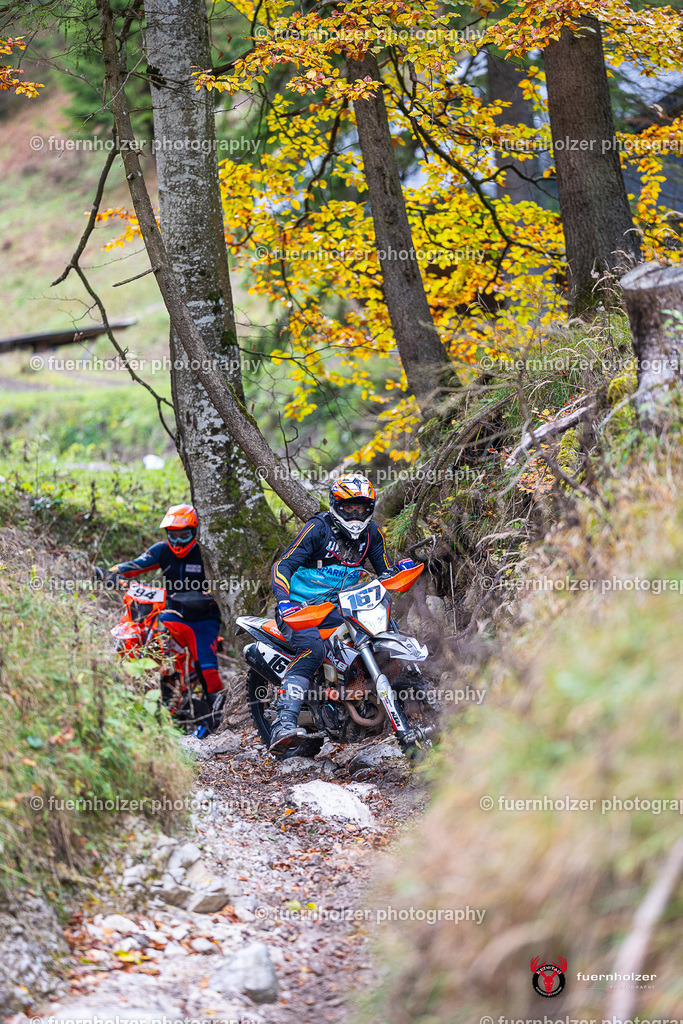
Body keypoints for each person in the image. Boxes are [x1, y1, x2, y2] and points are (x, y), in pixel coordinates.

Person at [269, 473, 414, 754]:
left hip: (341, 608)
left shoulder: (371, 534)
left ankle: (399, 701)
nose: (356, 513)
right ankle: (283, 723)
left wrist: (400, 569)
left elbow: (384, 570)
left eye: (361, 507)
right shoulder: (318, 529)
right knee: (312, 648)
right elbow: (282, 566)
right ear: (336, 504)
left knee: (386, 629)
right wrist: (285, 601)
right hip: (301, 610)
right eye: (349, 507)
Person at [104, 503, 224, 735]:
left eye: (184, 535)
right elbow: (135, 565)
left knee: (206, 666)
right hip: (173, 614)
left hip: (203, 619)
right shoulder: (162, 550)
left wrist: (208, 594)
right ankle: (147, 688)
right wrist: (111, 573)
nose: (178, 542)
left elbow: (226, 579)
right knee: (151, 632)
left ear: (195, 532)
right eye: (173, 535)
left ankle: (216, 716)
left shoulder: (205, 552)